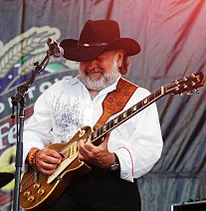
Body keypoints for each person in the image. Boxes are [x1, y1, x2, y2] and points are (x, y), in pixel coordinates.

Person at [22, 19, 163, 211]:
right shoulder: (59, 90)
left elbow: (149, 147)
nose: (91, 64)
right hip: (57, 187)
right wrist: (35, 154)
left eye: (99, 57)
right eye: (86, 58)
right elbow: (32, 131)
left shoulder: (138, 97)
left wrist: (113, 160)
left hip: (112, 189)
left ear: (119, 58)